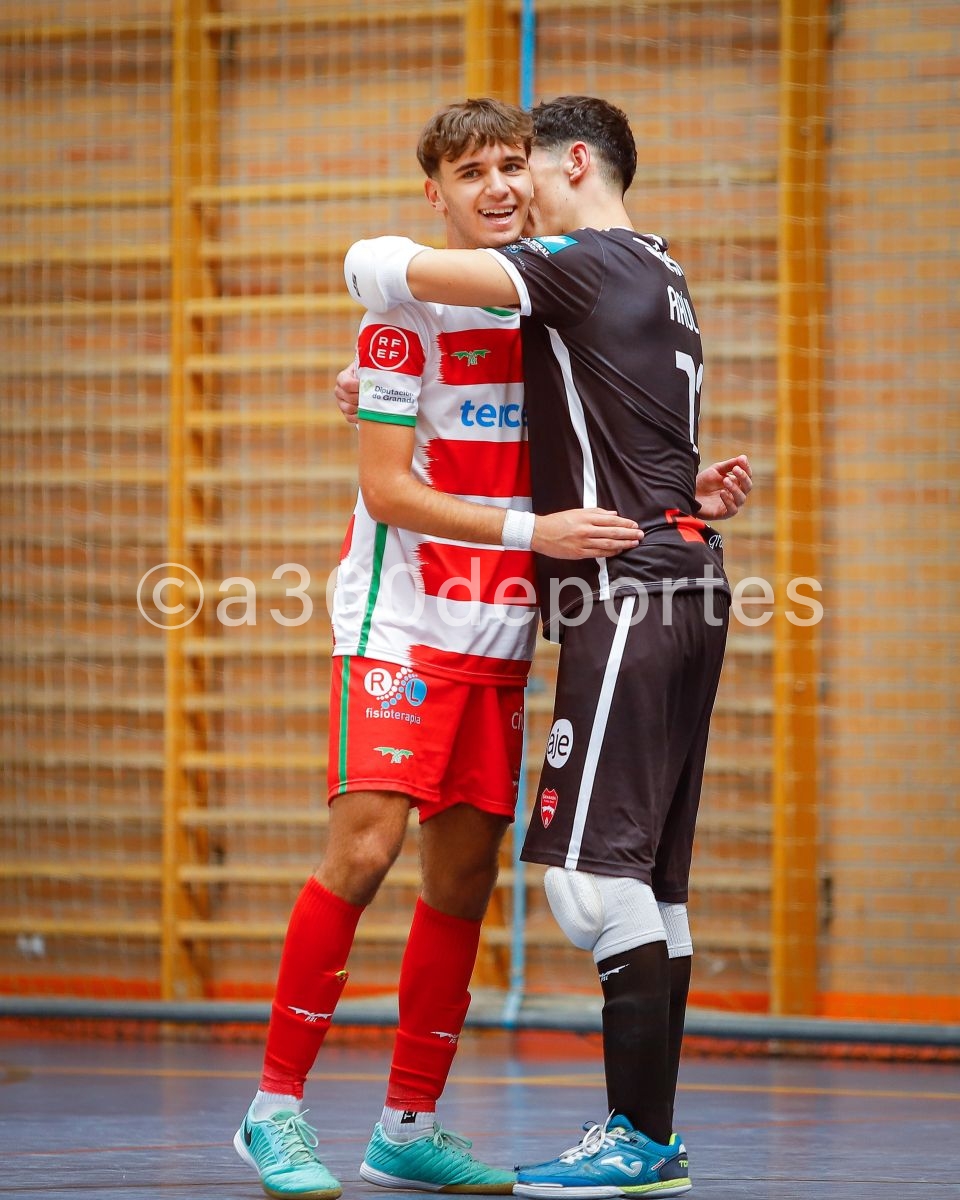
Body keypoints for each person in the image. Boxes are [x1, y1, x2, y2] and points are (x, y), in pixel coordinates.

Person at [234, 98, 647, 1200]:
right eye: (472, 173)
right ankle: (272, 1112)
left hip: (500, 630)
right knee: (365, 851)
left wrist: (685, 488)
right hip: (401, 622)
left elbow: (592, 452)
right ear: (438, 194)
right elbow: (386, 490)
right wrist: (534, 532)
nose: (499, 186)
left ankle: (405, 1126)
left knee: (462, 879)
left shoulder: (555, 308)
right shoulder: (400, 312)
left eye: (512, 165)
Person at [345, 94, 751, 1198]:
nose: (512, 188)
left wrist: (379, 302)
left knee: (586, 879)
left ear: (575, 162)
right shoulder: (662, 269)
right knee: (653, 887)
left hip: (629, 589)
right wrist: (383, 392)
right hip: (684, 576)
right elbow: (609, 419)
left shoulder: (578, 260)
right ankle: (650, 1140)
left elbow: (383, 267)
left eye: (522, 165)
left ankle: (636, 1139)